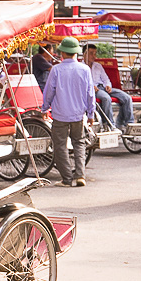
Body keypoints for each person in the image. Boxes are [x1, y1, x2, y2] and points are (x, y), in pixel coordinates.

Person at [41, 37, 95, 188]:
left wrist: (44, 108)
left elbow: (49, 92)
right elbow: (90, 93)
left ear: (62, 53)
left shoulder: (56, 69)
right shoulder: (85, 69)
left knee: (60, 145)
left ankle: (66, 178)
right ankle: (80, 176)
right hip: (78, 114)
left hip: (60, 114)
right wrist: (91, 114)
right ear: (76, 53)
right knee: (79, 143)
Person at [83, 43, 135, 132]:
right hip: (93, 90)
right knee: (106, 98)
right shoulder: (82, 67)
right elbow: (82, 81)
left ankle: (129, 123)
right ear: (85, 54)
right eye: (91, 53)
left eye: (95, 53)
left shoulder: (98, 66)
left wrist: (108, 85)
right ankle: (110, 124)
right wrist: (91, 86)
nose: (94, 56)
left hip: (103, 87)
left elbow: (105, 78)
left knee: (127, 97)